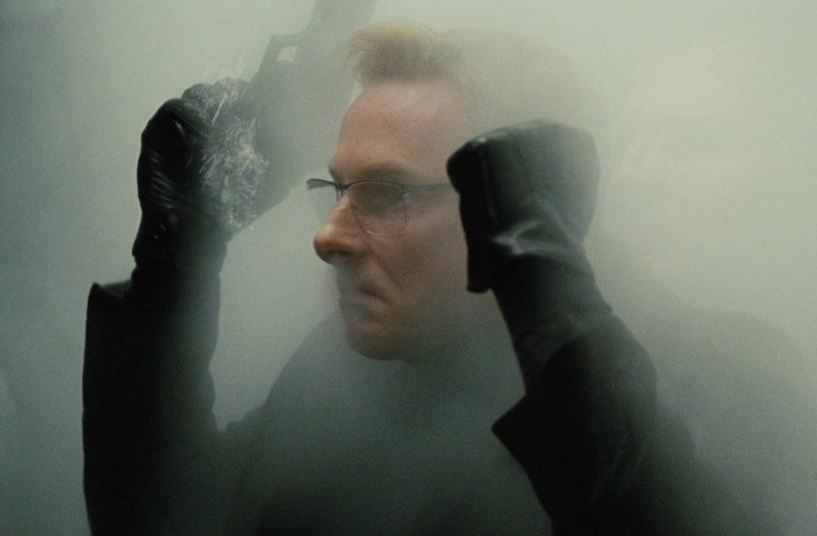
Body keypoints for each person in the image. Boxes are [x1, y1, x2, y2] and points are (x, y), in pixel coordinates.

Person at [84, 22, 796, 534]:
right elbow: (171, 519)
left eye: (387, 194)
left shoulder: (716, 374)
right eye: (337, 190)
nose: (327, 238)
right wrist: (176, 259)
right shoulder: (347, 376)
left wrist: (567, 348)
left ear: (516, 195)